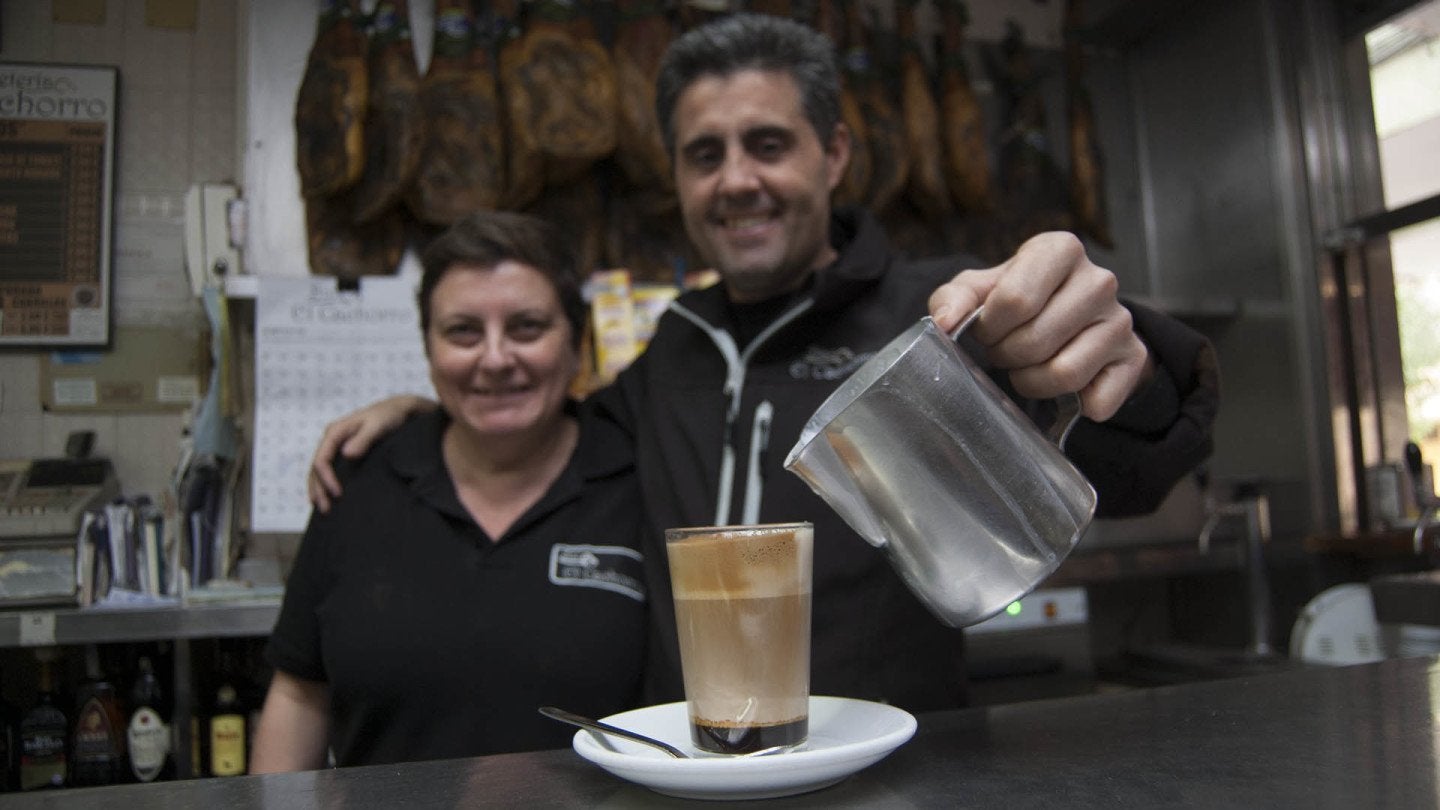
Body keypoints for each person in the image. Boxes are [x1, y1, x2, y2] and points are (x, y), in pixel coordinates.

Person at [308, 14, 1219, 712]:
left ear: (834, 155)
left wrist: (1123, 361)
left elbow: (1145, 460)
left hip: (901, 776)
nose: (736, 179)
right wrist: (420, 415)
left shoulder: (940, 319)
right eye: (706, 155)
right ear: (678, 178)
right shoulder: (672, 350)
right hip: (696, 779)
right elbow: (552, 433)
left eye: (768, 144)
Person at [250, 212, 648, 771]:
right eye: (462, 331)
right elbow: (299, 695)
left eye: (527, 327)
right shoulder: (359, 479)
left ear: (576, 341)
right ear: (428, 349)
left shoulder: (640, 480)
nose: (494, 358)